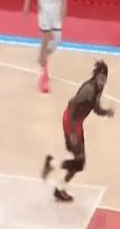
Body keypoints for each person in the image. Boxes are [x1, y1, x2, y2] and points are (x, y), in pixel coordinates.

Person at [41, 60, 114, 201]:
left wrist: (106, 112)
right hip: (71, 122)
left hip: (77, 124)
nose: (102, 81)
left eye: (104, 79)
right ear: (96, 76)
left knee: (79, 162)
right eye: (100, 78)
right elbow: (73, 107)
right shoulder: (88, 89)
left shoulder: (98, 89)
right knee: (79, 162)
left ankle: (60, 188)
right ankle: (52, 165)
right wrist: (73, 133)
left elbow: (96, 108)